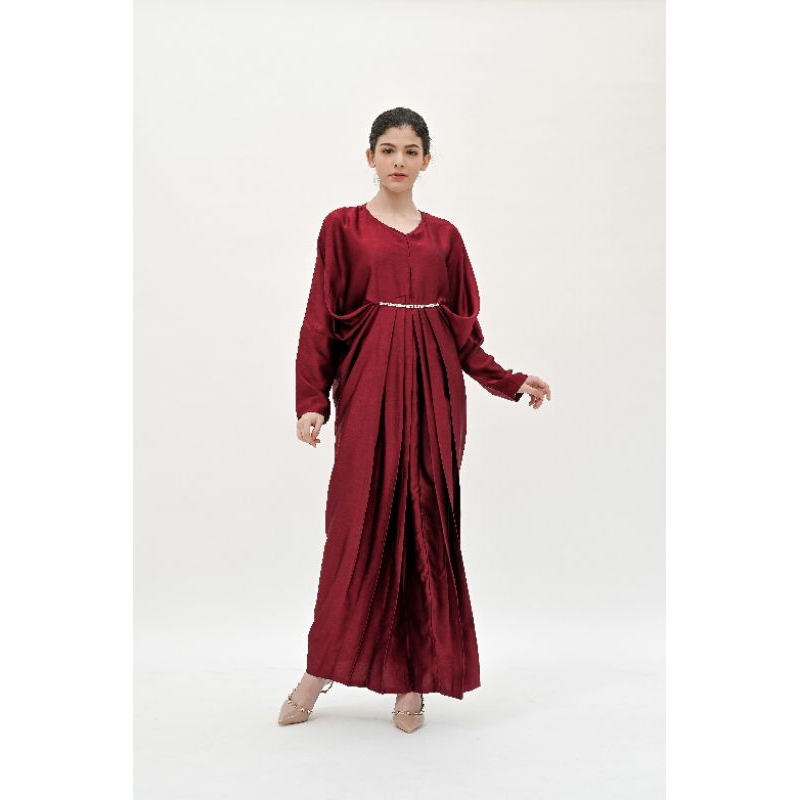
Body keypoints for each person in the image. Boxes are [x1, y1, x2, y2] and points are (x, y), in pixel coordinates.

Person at [279, 107, 551, 733]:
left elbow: (464, 337)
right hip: (369, 391)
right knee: (356, 528)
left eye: (410, 151)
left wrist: (510, 382)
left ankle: (412, 683)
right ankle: (318, 672)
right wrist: (312, 400)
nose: (398, 161)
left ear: (427, 160)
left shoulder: (446, 238)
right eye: (387, 149)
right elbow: (320, 317)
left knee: (424, 528)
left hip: (435, 399)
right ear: (370, 157)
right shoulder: (343, 227)